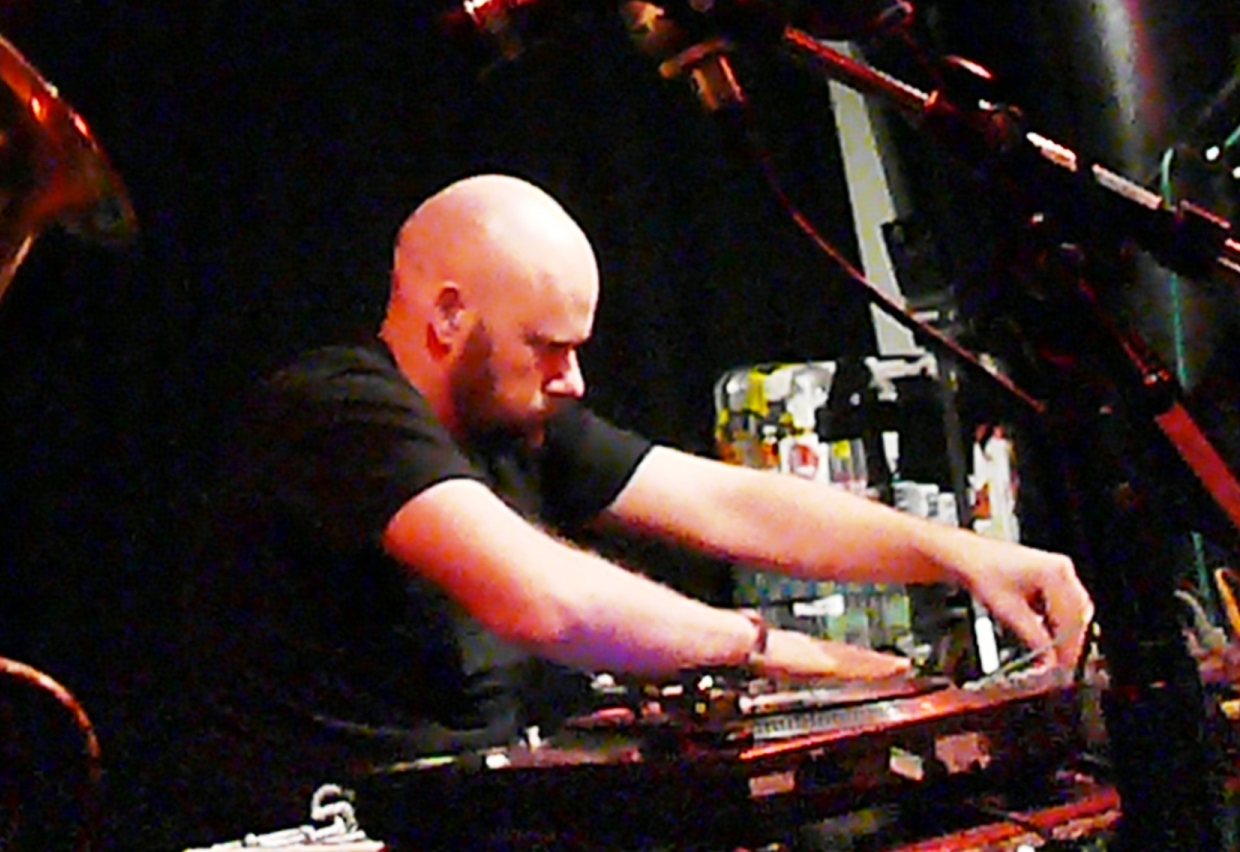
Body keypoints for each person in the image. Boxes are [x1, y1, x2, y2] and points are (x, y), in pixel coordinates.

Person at [167, 173, 1093, 836]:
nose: (574, 379)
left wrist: (965, 554)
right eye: (549, 348)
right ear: (448, 317)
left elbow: (728, 503)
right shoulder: (336, 408)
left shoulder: (517, 416)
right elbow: (546, 600)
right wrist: (787, 658)